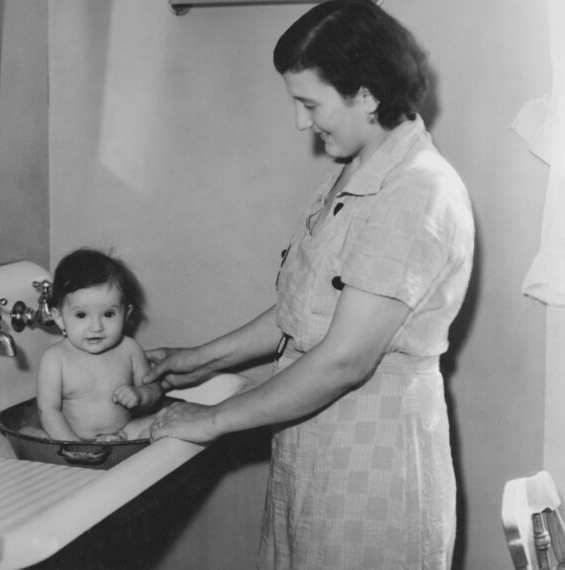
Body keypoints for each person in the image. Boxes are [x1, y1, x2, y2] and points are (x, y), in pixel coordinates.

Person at [142, 1, 474, 568]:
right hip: (315, 449)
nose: (302, 122)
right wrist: (199, 359)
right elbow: (306, 309)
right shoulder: (353, 170)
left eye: (309, 103)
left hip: (374, 468)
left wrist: (212, 420)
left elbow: (344, 358)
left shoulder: (417, 192)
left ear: (366, 95)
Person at [35, 248, 163, 442]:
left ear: (126, 315)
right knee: (30, 433)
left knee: (169, 417)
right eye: (81, 315)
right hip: (72, 439)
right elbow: (48, 411)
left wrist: (140, 394)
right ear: (59, 318)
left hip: (125, 434)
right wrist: (74, 446)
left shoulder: (129, 349)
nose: (96, 327)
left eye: (109, 314)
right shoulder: (56, 358)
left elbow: (155, 390)